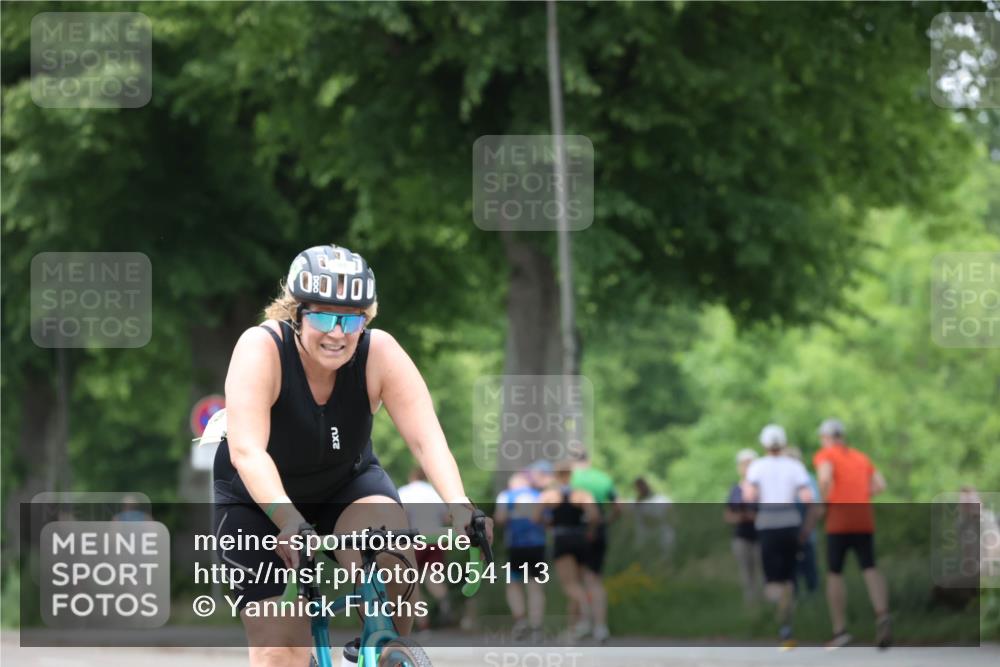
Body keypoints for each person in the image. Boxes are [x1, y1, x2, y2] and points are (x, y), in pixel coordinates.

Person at [212, 244, 490, 667]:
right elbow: (247, 451)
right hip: (259, 503)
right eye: (323, 316)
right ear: (295, 312)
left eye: (352, 318)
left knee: (394, 565)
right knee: (280, 651)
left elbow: (426, 439)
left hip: (347, 487)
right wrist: (288, 520)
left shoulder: (379, 352)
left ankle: (380, 647)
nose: (338, 333)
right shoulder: (261, 348)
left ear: (367, 318)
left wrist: (459, 503)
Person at [813, 418, 890, 650]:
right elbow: (880, 485)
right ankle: (883, 615)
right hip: (863, 519)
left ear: (826, 438)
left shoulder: (825, 455)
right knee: (870, 567)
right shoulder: (860, 457)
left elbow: (825, 477)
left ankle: (840, 630)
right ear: (842, 436)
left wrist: (825, 502)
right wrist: (858, 492)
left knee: (835, 573)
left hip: (839, 521)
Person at [742, 424, 817, 649]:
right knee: (789, 577)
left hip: (767, 524)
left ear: (764, 444)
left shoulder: (756, 467)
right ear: (783, 443)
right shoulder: (795, 466)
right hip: (790, 523)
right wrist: (806, 528)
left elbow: (749, 495)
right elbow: (808, 498)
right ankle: (786, 623)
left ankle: (776, 619)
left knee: (771, 580)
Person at [535, 460, 601, 643]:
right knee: (579, 583)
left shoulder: (550, 494)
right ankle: (574, 627)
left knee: (570, 585)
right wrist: (591, 531)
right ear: (571, 475)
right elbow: (594, 516)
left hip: (562, 539)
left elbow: (535, 517)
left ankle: (586, 615)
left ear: (556, 475)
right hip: (581, 538)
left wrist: (549, 524)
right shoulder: (582, 494)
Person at [569, 451, 619, 643]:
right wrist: (606, 521)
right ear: (588, 459)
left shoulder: (569, 478)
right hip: (598, 532)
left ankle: (581, 623)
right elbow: (618, 506)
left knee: (575, 582)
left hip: (574, 533)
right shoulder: (603, 478)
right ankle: (600, 627)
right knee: (594, 580)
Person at [397, 466, 452, 633]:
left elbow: (402, 515)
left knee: (412, 581)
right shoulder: (435, 492)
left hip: (414, 538)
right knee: (433, 577)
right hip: (436, 537)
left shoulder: (405, 491)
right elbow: (446, 517)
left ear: (412, 476)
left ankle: (423, 623)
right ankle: (444, 600)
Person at [495, 470, 548, 641]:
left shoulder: (506, 495)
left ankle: (520, 621)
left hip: (516, 544)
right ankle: (536, 625)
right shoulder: (539, 495)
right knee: (535, 585)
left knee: (514, 583)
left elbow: (500, 518)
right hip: (537, 544)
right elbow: (546, 519)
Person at [724, 449, 762, 605]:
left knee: (763, 573)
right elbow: (727, 515)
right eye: (743, 464)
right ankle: (751, 607)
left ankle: (766, 607)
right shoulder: (735, 489)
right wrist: (740, 517)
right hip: (741, 535)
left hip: (761, 535)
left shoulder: (763, 488)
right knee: (746, 575)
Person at [785, 446, 819, 595]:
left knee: (809, 569)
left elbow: (815, 507)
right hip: (788, 533)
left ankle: (812, 599)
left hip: (806, 532)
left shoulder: (807, 479)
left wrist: (805, 531)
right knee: (791, 573)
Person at [633, 477, 674, 554]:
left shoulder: (661, 499)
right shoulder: (635, 504)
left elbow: (671, 514)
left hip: (662, 536)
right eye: (639, 486)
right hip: (645, 538)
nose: (642, 488)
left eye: (643, 485)